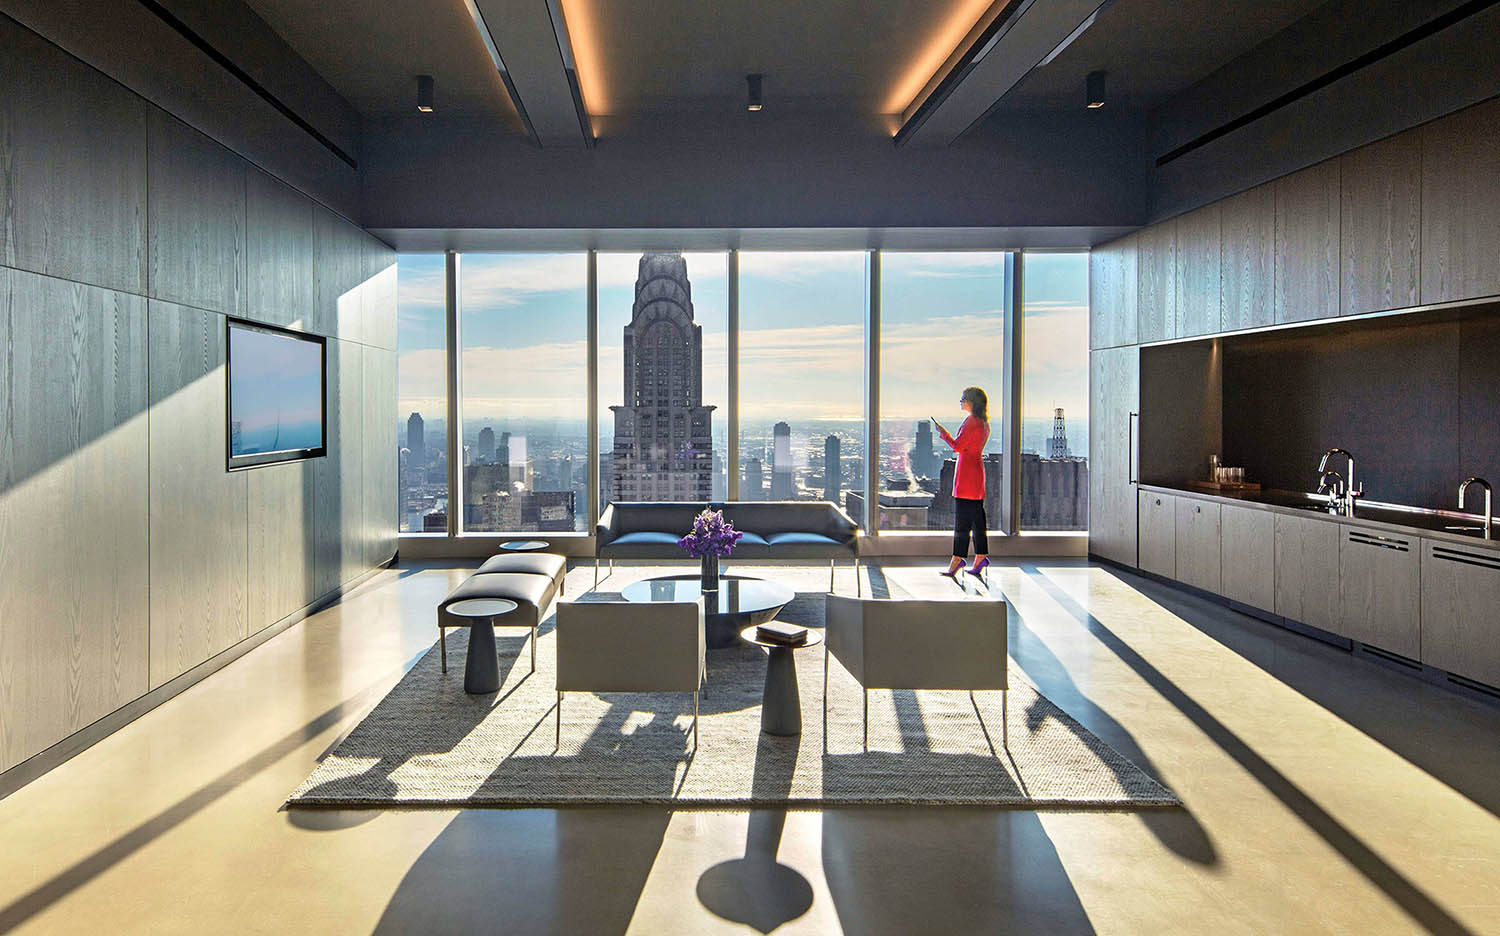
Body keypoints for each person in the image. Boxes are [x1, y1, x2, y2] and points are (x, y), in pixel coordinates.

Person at [936, 387, 990, 577]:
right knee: (977, 520)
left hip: (966, 474)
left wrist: (944, 434)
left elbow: (958, 446)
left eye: (963, 399)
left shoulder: (971, 422)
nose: (960, 401)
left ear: (971, 402)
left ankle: (957, 560)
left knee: (962, 522)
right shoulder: (983, 423)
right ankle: (980, 556)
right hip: (976, 473)